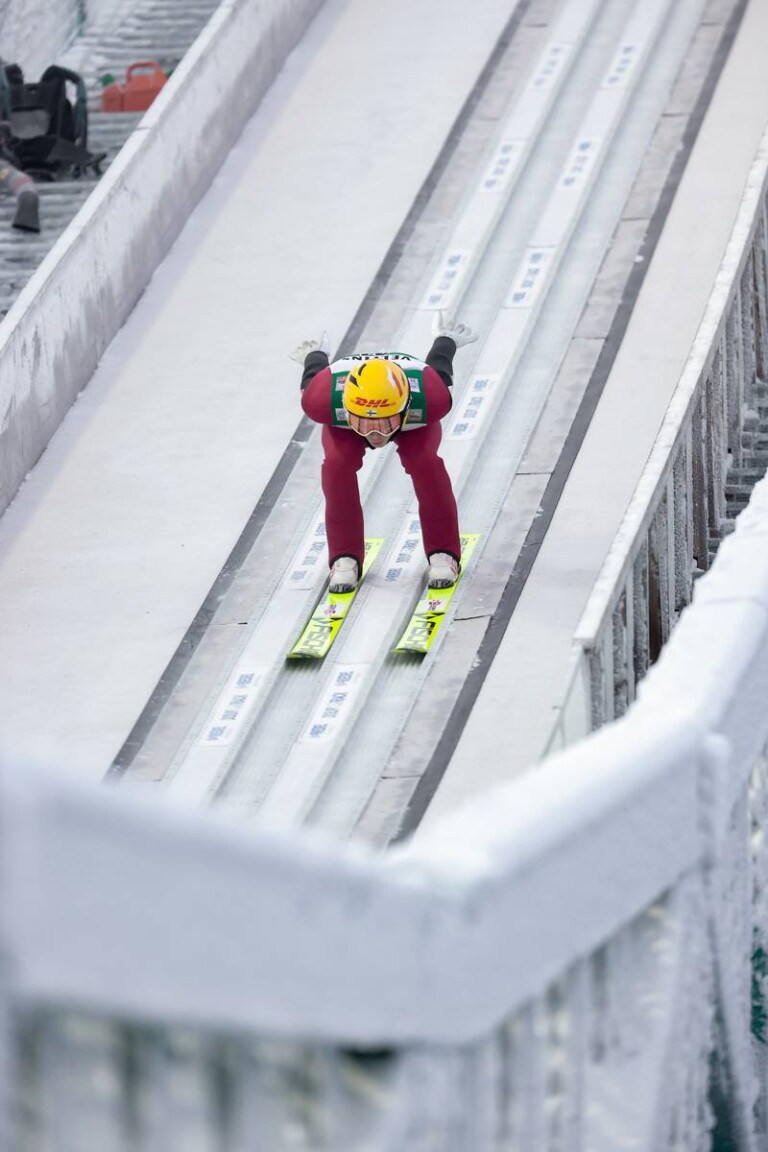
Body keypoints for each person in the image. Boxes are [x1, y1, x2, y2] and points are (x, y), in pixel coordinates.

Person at [290, 312, 478, 593]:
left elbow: (440, 367)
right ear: (345, 408)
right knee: (337, 466)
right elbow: (313, 377)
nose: (374, 434)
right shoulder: (320, 399)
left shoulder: (431, 397)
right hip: (369, 421)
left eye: (382, 424)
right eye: (364, 423)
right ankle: (344, 556)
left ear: (405, 405)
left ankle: (443, 551)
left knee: (425, 463)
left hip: (401, 423)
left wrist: (445, 341)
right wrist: (315, 355)